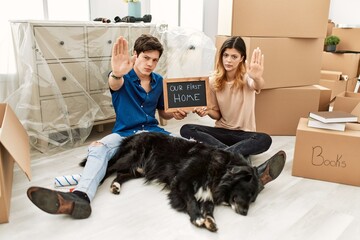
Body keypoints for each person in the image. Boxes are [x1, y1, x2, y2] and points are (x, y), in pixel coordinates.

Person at [26, 34, 188, 219]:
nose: (150, 63)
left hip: (153, 134)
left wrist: (173, 113)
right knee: (98, 148)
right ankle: (79, 197)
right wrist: (117, 73)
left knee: (187, 148)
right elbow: (114, 83)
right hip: (125, 134)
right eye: (145, 57)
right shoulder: (122, 75)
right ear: (135, 54)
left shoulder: (158, 81)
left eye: (154, 60)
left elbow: (163, 112)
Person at [180, 36, 286, 189]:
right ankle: (252, 173)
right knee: (187, 129)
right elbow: (217, 114)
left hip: (244, 135)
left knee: (265, 139)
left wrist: (257, 78)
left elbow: (257, 85)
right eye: (225, 55)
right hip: (222, 132)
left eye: (234, 56)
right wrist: (208, 111)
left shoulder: (247, 78)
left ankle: (218, 158)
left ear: (242, 58)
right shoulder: (213, 81)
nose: (228, 60)